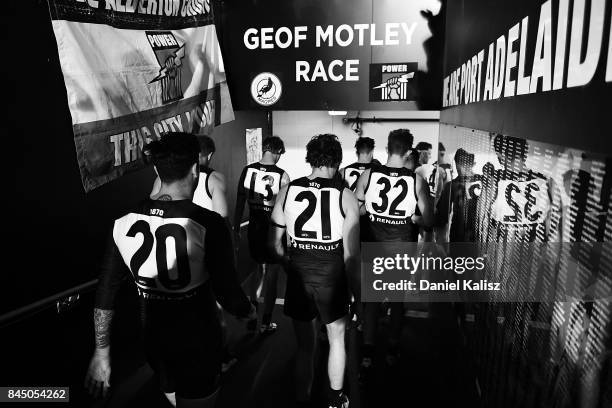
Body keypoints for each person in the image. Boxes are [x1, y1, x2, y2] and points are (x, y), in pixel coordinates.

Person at [85, 132, 255, 408]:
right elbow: (227, 291)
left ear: (156, 169)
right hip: (198, 341)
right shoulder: (209, 224)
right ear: (195, 169)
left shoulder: (122, 221)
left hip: (154, 340)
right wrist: (248, 311)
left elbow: (106, 291)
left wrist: (102, 351)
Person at [270, 134, 360, 408]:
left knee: (305, 347)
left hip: (299, 276)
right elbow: (351, 256)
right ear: (338, 160)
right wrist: (357, 294)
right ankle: (335, 399)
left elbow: (273, 245)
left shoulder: (287, 191)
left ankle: (301, 398)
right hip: (331, 278)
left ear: (309, 158)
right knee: (336, 340)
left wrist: (291, 266)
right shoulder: (346, 195)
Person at [354, 129, 433, 379]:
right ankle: (392, 349)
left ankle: (367, 352)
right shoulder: (416, 180)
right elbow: (429, 220)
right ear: (409, 152)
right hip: (401, 247)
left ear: (387, 147)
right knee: (397, 300)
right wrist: (410, 217)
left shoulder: (369, 173)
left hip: (373, 244)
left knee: (371, 300)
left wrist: (373, 213)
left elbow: (356, 209)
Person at [234, 136, 290, 333]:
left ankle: (252, 316)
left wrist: (235, 228)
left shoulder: (247, 170)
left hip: (255, 227)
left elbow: (240, 200)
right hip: (273, 229)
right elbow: (285, 209)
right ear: (276, 152)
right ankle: (266, 322)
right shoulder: (282, 175)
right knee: (273, 275)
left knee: (257, 271)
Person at [151, 135, 229, 218]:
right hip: (200, 227)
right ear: (209, 155)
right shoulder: (215, 178)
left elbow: (151, 207)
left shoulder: (166, 175)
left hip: (170, 227)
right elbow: (221, 216)